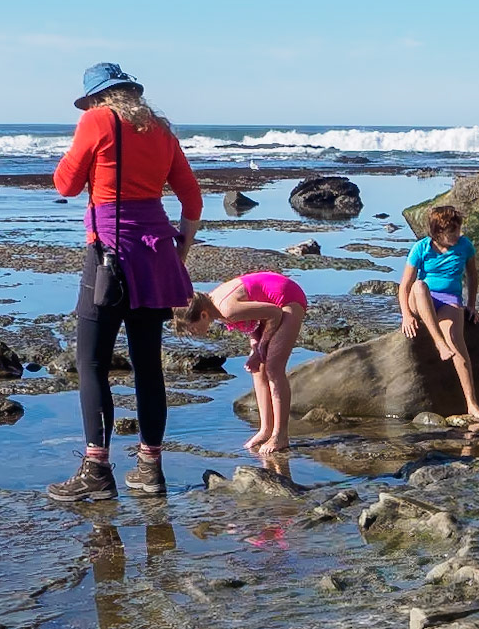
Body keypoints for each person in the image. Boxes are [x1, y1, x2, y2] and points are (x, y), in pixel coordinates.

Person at [46, 63, 201, 502]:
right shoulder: (162, 131)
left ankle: (96, 469)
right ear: (132, 92)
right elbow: (192, 198)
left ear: (97, 98)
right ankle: (150, 469)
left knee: (92, 362)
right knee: (147, 365)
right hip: (156, 254)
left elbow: (65, 185)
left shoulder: (96, 120)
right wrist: (180, 251)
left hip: (109, 255)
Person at [173, 272, 307, 454]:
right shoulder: (213, 306)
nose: (193, 334)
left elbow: (274, 313)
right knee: (258, 369)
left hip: (287, 299)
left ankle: (280, 435)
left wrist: (262, 345)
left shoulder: (227, 309)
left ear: (203, 315)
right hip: (270, 308)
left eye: (192, 329)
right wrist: (256, 350)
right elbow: (254, 321)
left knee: (273, 368)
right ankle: (265, 430)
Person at [397, 204, 479, 421]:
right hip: (421, 299)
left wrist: (471, 305)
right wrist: (406, 315)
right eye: (452, 231)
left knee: (456, 342)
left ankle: (471, 403)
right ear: (438, 232)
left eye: (458, 229)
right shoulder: (421, 248)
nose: (457, 234)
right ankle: (439, 343)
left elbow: (473, 277)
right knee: (420, 285)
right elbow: (405, 286)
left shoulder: (465, 246)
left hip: (450, 300)